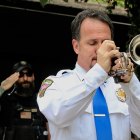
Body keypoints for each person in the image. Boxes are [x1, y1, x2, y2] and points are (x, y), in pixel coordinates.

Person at [37, 9, 140, 140]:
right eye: (92, 43)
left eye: (105, 43)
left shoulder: (121, 86)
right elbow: (59, 115)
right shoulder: (57, 84)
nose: (100, 50)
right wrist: (100, 71)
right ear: (76, 46)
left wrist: (132, 83)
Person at [0, 61, 48, 140]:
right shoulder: (6, 101)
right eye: (21, 75)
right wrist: (1, 89)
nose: (25, 79)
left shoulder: (42, 100)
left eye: (29, 74)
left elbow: (50, 130)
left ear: (33, 76)